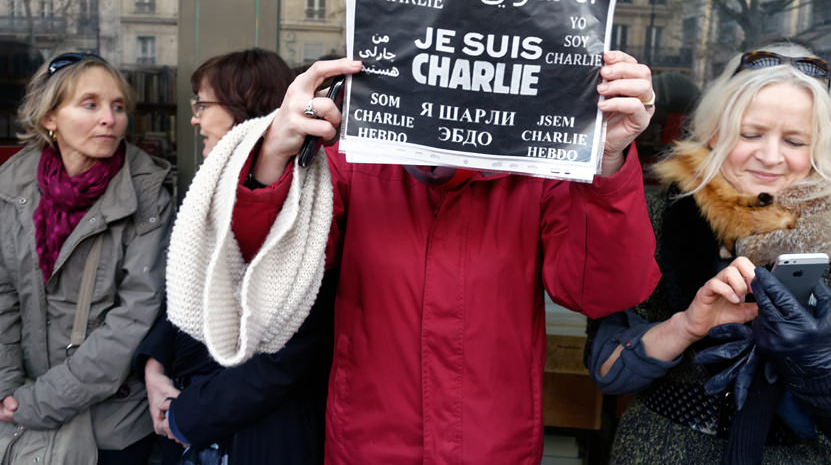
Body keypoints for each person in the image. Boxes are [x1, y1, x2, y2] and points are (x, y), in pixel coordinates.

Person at [165, 49, 663, 463]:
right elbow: (266, 275)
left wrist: (609, 162)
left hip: (493, 448)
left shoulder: (537, 171)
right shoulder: (353, 160)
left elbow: (601, 292)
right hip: (367, 445)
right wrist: (274, 153)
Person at [585, 42, 831, 464]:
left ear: (818, 150)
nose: (771, 156)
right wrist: (686, 326)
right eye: (751, 133)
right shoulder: (661, 218)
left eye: (795, 140)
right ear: (715, 132)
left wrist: (819, 364)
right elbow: (606, 369)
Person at [134, 48, 334, 464]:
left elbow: (289, 348)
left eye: (203, 104)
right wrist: (155, 364)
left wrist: (186, 416)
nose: (194, 118)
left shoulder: (307, 194)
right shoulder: (211, 188)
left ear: (242, 105)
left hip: (258, 434)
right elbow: (191, 291)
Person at [0, 52, 174, 463]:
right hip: (20, 412)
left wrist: (41, 402)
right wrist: (8, 390)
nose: (109, 119)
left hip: (110, 426)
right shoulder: (12, 188)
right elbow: (3, 295)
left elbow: (136, 317)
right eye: (90, 104)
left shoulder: (148, 196)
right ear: (49, 118)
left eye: (117, 107)